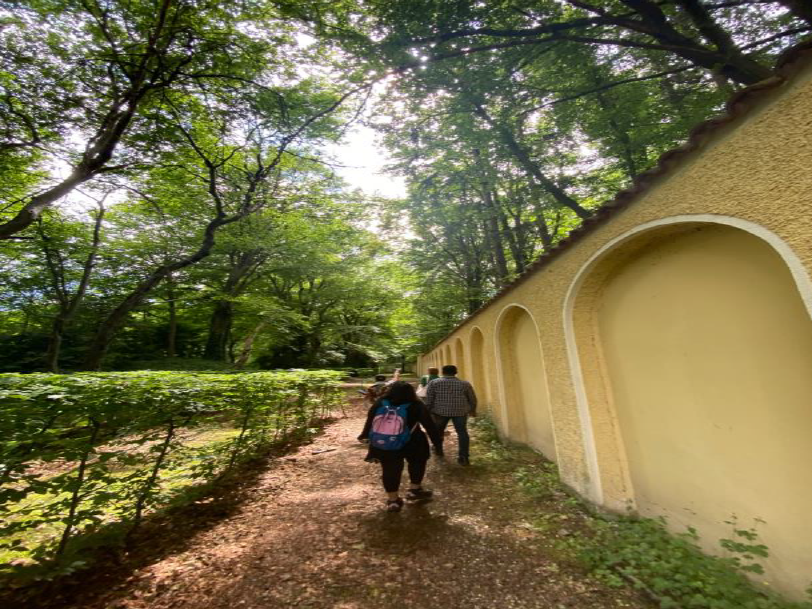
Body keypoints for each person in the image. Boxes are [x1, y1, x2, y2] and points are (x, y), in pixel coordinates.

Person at [358, 381, 443, 512]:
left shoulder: (380, 403)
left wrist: (364, 435)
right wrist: (437, 442)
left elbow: (370, 420)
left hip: (386, 443)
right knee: (417, 463)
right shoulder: (416, 404)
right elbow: (429, 425)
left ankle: (393, 501)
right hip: (414, 442)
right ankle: (414, 490)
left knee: (390, 470)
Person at [424, 364, 477, 466]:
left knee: (438, 432)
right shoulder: (465, 384)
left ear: (442, 372)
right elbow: (472, 398)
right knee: (462, 432)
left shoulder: (434, 383)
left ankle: (438, 450)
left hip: (440, 412)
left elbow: (429, 399)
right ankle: (464, 457)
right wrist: (473, 410)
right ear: (456, 372)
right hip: (460, 412)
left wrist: (428, 411)